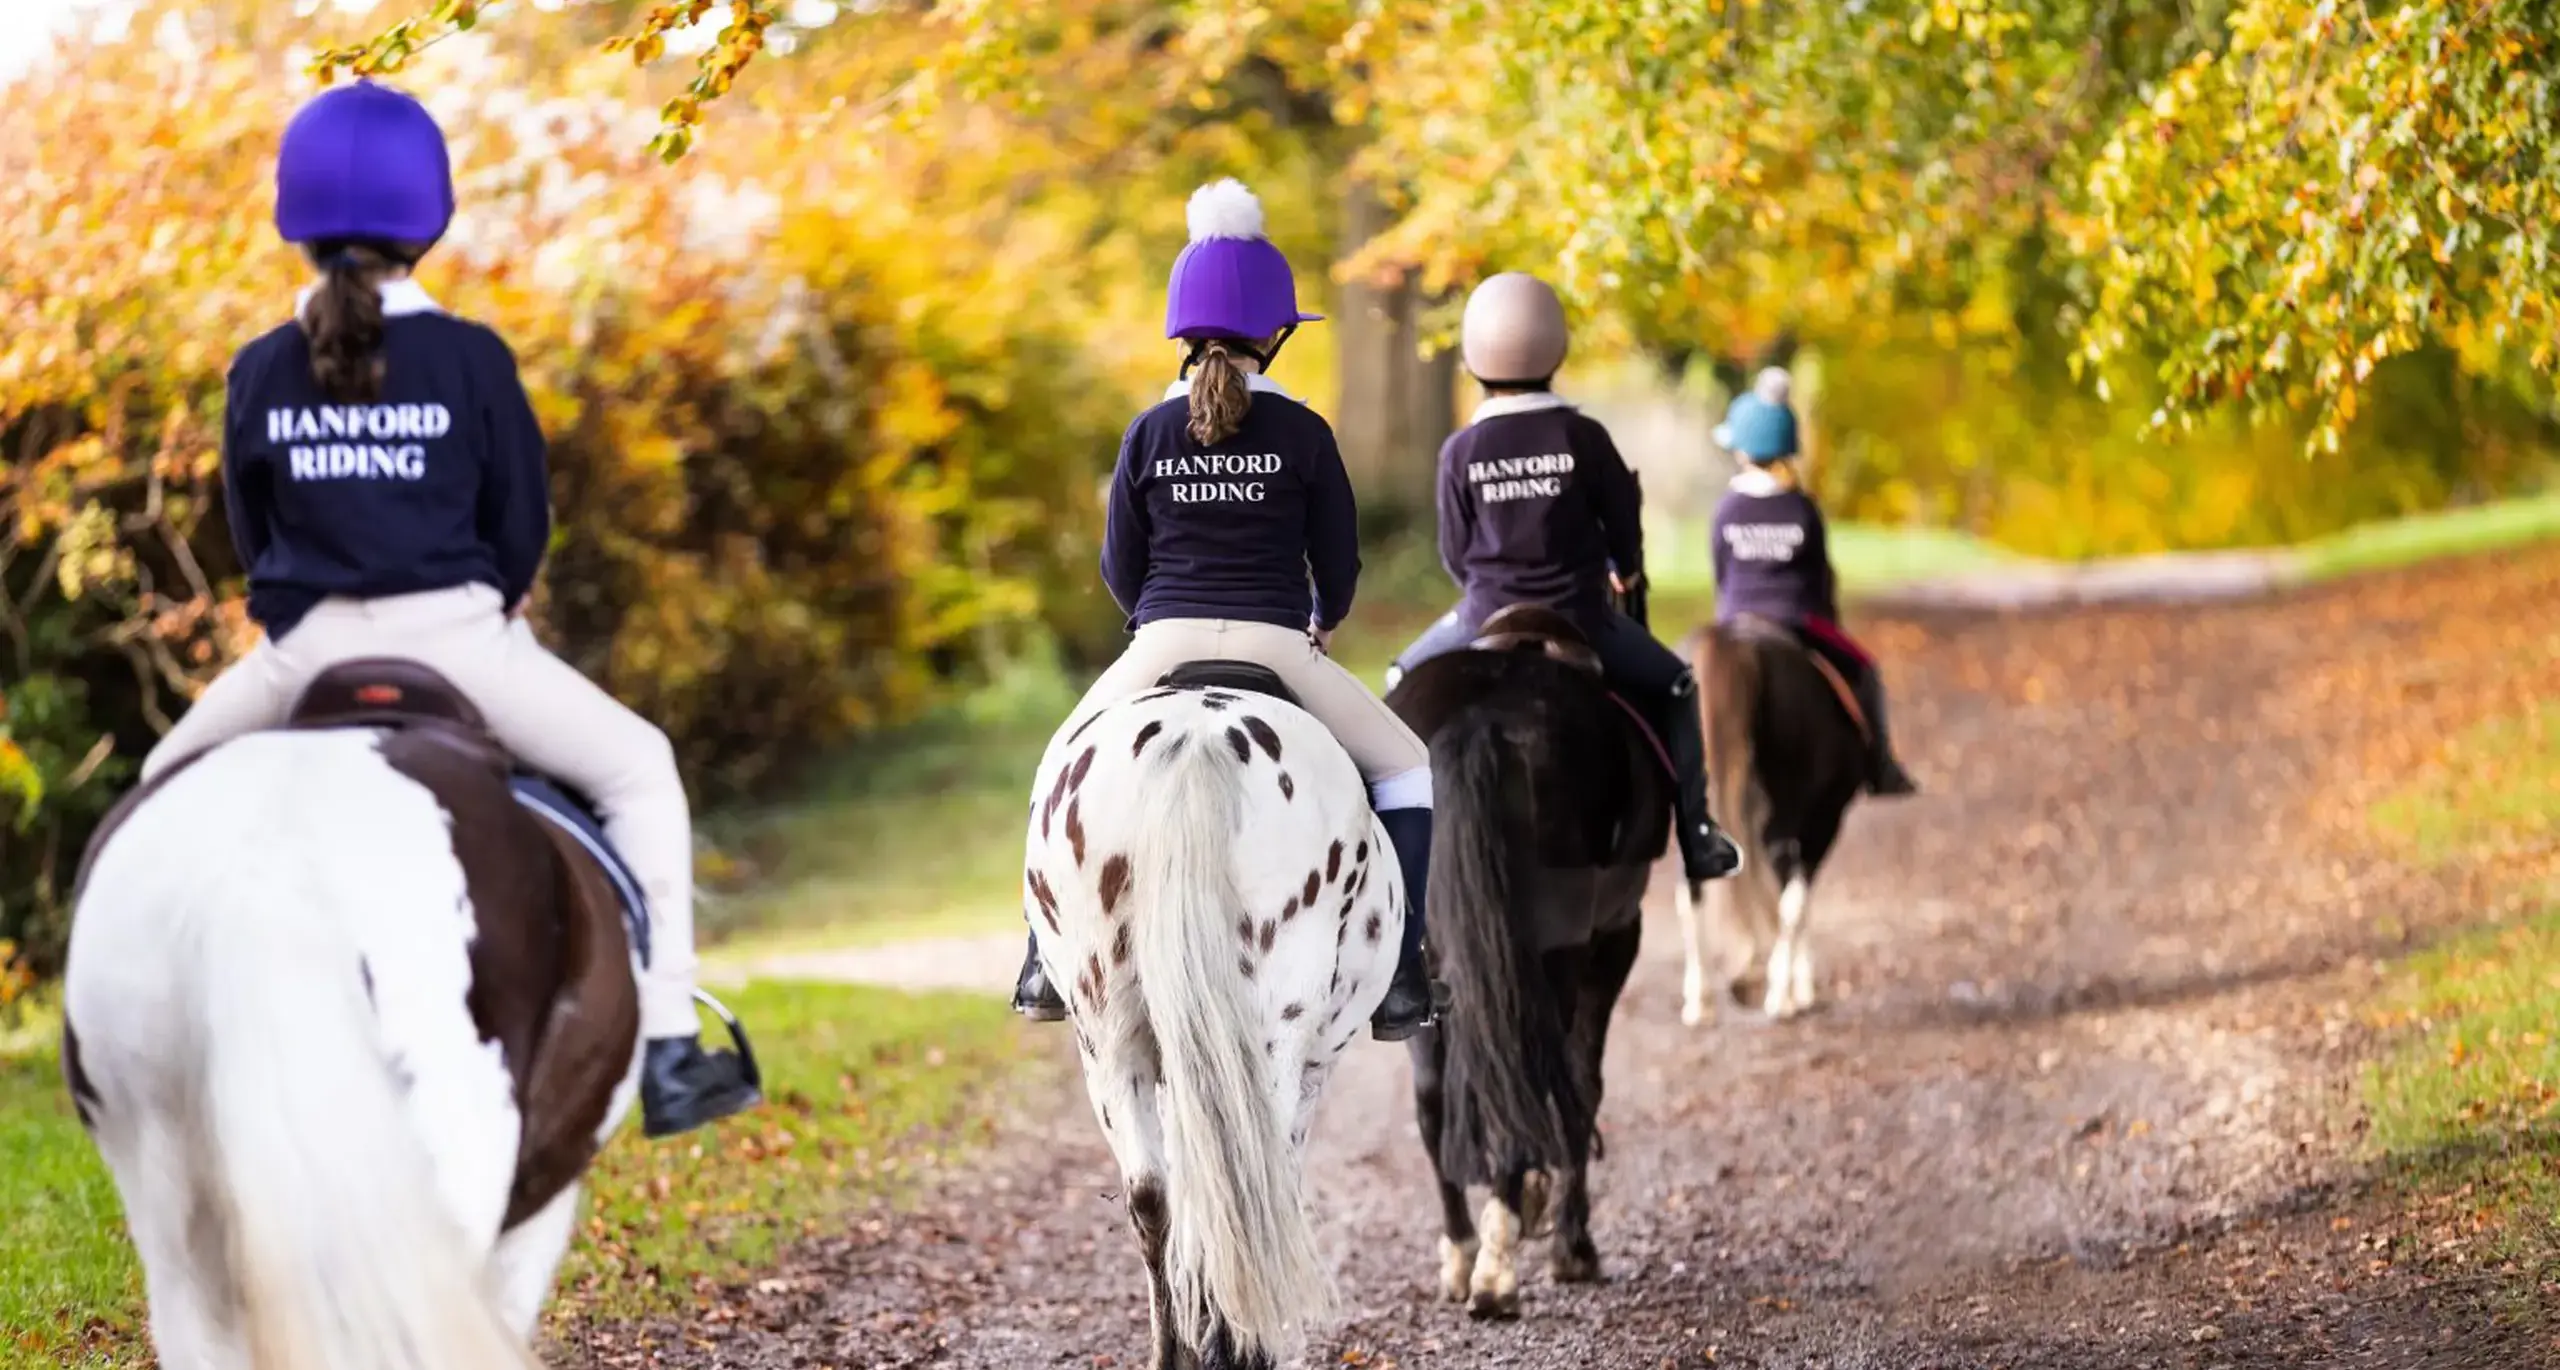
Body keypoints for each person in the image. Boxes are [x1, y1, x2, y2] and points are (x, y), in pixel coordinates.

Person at [136, 80, 760, 1138]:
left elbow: (251, 534)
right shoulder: (471, 357)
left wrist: (307, 612)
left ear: (295, 221)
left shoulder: (259, 368)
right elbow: (522, 519)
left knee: (155, 791)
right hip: (462, 644)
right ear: (430, 218)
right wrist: (487, 603)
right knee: (639, 767)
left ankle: (151, 1046)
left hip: (306, 652)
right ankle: (665, 1046)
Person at [1011, 178, 1444, 1041]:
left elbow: (1117, 566)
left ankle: (1040, 959)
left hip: (1161, 639)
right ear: (1274, 333)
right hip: (1279, 643)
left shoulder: (1146, 432)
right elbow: (1341, 561)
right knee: (1405, 766)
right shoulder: (1307, 433)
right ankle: (1404, 972)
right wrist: (1325, 616)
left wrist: (1157, 623)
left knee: (1059, 763)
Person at [1387, 273, 1743, 889]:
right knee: (1680, 685)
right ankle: (1698, 833)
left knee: (1398, 679)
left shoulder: (1461, 449)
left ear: (1474, 356)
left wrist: (1487, 586)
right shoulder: (1585, 437)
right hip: (1582, 616)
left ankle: (1389, 849)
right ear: (1555, 347)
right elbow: (1623, 531)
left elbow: (1455, 552)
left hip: (1482, 613)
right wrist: (1625, 573)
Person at [1710, 368, 1920, 797]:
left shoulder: (1727, 509)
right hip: (1798, 620)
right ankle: (1880, 763)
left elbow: (1721, 573)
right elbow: (1820, 578)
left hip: (1736, 619)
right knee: (1865, 671)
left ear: (1743, 452)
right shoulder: (1803, 509)